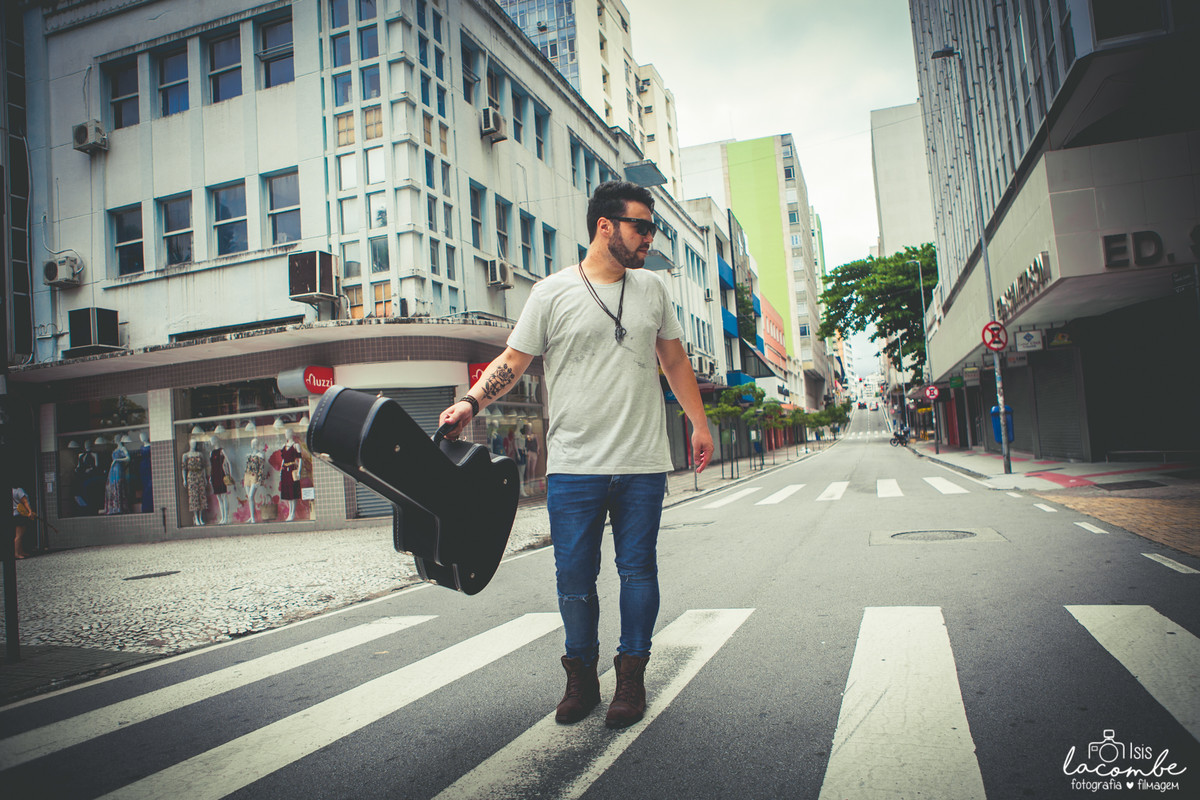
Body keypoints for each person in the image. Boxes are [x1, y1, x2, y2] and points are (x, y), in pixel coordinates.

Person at [439, 180, 713, 730]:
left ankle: (631, 678)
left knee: (638, 571)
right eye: (641, 226)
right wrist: (470, 403)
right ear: (605, 226)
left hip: (640, 460)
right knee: (573, 578)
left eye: (652, 228)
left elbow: (675, 360)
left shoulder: (654, 289)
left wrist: (699, 423)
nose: (649, 237)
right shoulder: (550, 293)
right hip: (573, 465)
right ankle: (581, 678)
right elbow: (514, 361)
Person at [12, 487, 34, 559]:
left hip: (14, 514)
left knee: (19, 535)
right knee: (19, 535)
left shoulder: (11, 490)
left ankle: (20, 551)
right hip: (21, 514)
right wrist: (30, 511)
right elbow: (25, 502)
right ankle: (16, 553)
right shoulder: (19, 490)